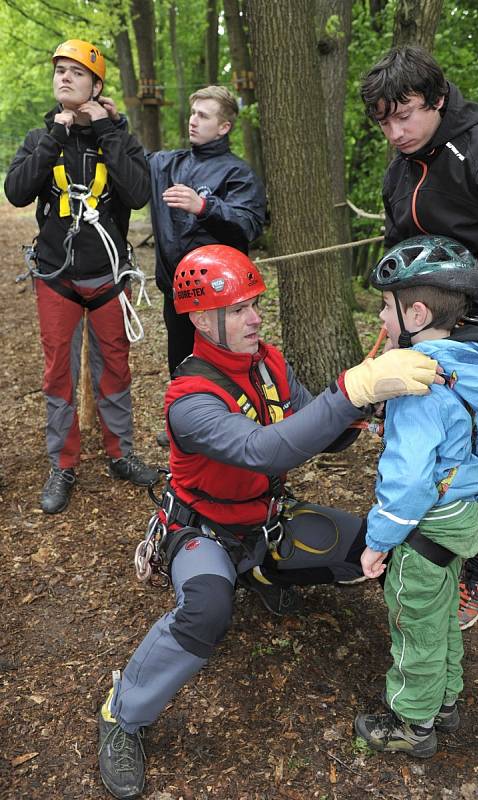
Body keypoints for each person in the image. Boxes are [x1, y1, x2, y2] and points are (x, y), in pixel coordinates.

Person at [97, 244, 443, 799]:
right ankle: (123, 713)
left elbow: (314, 426)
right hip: (203, 533)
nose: (255, 317)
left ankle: (261, 574)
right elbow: (265, 450)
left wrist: (367, 407)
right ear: (201, 318)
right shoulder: (189, 400)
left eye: (254, 304)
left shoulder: (269, 363)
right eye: (238, 310)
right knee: (208, 609)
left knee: (373, 547)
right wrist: (351, 391)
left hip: (266, 523)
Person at [360, 45, 478, 629]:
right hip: (427, 325)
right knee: (427, 436)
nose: (395, 131)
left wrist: (474, 286)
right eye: (384, 120)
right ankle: (429, 540)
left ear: (436, 98)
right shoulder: (400, 170)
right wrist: (395, 317)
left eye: (405, 113)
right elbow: (398, 245)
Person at [354, 235, 478, 758]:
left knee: (413, 621)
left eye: (385, 307)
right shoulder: (473, 369)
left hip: (425, 528)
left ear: (417, 313)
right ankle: (445, 700)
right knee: (442, 614)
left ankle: (412, 724)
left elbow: (409, 479)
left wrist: (379, 540)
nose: (380, 318)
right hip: (462, 516)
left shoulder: (416, 386)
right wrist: (474, 492)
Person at [4, 39, 159, 514]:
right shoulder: (39, 138)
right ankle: (63, 464)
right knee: (59, 373)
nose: (65, 78)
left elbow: (137, 194)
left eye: (76, 72)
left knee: (114, 368)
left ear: (96, 85)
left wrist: (109, 129)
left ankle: (121, 455)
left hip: (109, 275)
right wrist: (56, 132)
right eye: (60, 72)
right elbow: (16, 191)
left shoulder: (118, 135)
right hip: (56, 275)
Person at [148, 85, 266, 446]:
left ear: (225, 127)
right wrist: (111, 122)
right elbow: (130, 161)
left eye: (203, 115)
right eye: (192, 113)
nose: (193, 121)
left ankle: (233, 430)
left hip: (222, 300)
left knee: (227, 364)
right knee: (182, 365)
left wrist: (204, 207)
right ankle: (185, 427)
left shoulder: (238, 174)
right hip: (177, 294)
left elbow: (247, 225)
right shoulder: (168, 164)